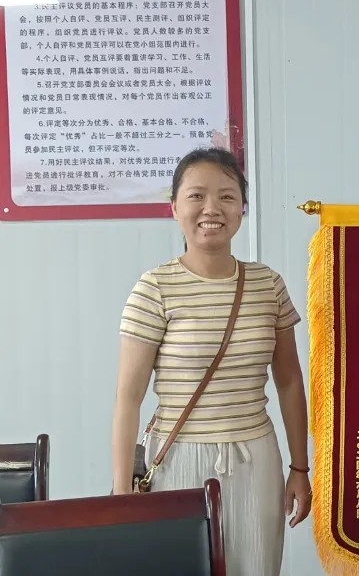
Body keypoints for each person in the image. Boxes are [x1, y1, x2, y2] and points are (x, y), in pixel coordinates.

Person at [111, 147, 311, 576]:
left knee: (256, 567)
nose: (211, 209)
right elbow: (128, 398)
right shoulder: (154, 288)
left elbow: (290, 381)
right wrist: (121, 491)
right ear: (174, 207)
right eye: (196, 196)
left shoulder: (268, 284)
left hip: (257, 459)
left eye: (226, 196)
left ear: (242, 207)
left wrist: (300, 467)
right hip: (178, 461)